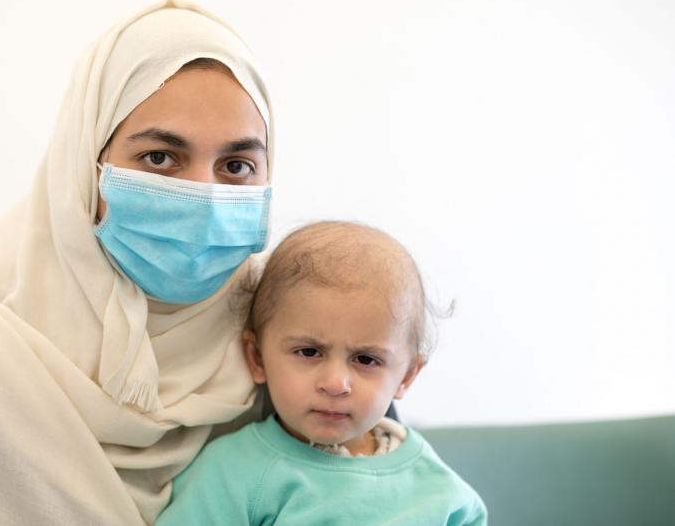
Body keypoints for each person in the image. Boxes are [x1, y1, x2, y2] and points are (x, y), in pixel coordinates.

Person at [0, 0, 275, 525]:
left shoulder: (293, 358)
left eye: (236, 165)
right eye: (160, 157)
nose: (203, 197)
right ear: (85, 165)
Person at [156, 221, 488, 525]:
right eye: (309, 352)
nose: (335, 384)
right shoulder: (231, 473)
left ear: (406, 377)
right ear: (257, 358)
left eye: (366, 359)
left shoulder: (440, 490)